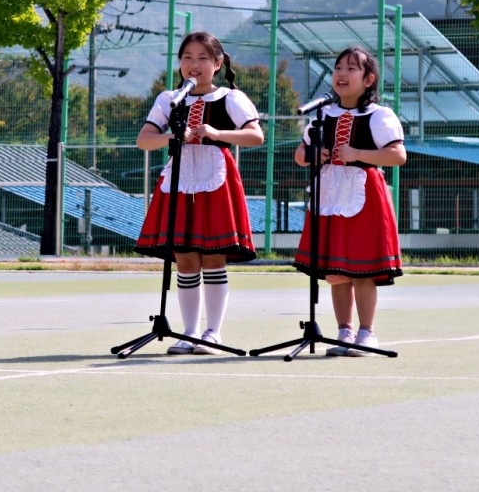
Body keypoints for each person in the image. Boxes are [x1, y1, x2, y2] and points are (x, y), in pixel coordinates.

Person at [135, 31, 265, 354]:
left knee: (213, 255)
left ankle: (212, 333)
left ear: (218, 63)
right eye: (187, 58)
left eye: (203, 58)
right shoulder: (170, 99)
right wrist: (172, 138)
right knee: (185, 256)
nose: (194, 65)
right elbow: (144, 139)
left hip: (214, 179)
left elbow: (255, 136)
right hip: (179, 178)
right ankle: (189, 332)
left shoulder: (230, 98)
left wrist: (215, 132)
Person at [293, 45, 406, 356]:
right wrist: (315, 155)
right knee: (336, 270)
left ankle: (367, 333)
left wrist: (357, 154)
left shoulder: (379, 115)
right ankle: (343, 331)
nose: (341, 74)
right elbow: (301, 155)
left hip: (363, 193)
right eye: (338, 67)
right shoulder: (323, 114)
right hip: (329, 192)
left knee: (363, 268)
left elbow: (397, 155)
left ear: (368, 79)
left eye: (351, 68)